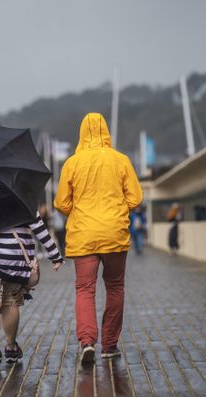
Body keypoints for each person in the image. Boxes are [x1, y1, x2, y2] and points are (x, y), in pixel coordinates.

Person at [54, 112, 143, 364]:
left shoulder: (72, 163)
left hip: (83, 235)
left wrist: (80, 209)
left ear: (82, 133)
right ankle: (110, 344)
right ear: (106, 132)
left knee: (85, 289)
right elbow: (135, 199)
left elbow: (61, 203)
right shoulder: (121, 160)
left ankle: (87, 342)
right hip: (114, 233)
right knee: (115, 287)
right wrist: (116, 208)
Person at [0, 213, 63, 369]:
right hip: (12, 254)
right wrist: (54, 254)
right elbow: (37, 225)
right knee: (10, 300)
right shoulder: (19, 195)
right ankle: (11, 347)